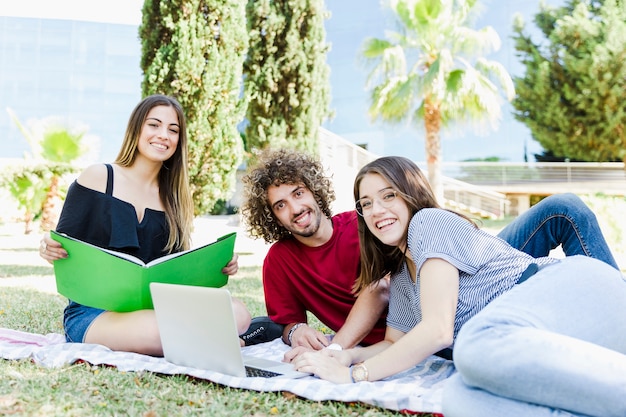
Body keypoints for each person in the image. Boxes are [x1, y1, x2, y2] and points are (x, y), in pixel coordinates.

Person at [291, 156, 626, 416]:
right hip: (536, 334)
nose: (377, 210)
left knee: (471, 349)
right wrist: (343, 357)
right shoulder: (404, 278)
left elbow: (437, 331)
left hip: (566, 290)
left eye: (388, 195)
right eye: (366, 204)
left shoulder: (428, 222)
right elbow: (393, 344)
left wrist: (355, 376)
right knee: (459, 398)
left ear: (410, 195)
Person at [238, 149, 619, 353]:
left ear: (314, 190)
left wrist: (337, 351)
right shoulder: (280, 261)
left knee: (563, 209)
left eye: (298, 194)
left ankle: (615, 308)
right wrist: (295, 333)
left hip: (455, 276)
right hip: (418, 311)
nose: (294, 208)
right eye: (280, 205)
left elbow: (381, 289)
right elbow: (284, 322)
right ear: (271, 216)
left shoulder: (367, 222)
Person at [39, 94, 251, 356]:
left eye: (173, 130)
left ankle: (203, 341)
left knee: (239, 313)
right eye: (154, 125)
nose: (163, 135)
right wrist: (48, 248)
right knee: (157, 331)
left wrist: (217, 265)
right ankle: (213, 342)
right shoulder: (98, 177)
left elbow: (177, 274)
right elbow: (63, 249)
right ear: (137, 129)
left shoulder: (175, 200)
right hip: (96, 313)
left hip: (157, 309)